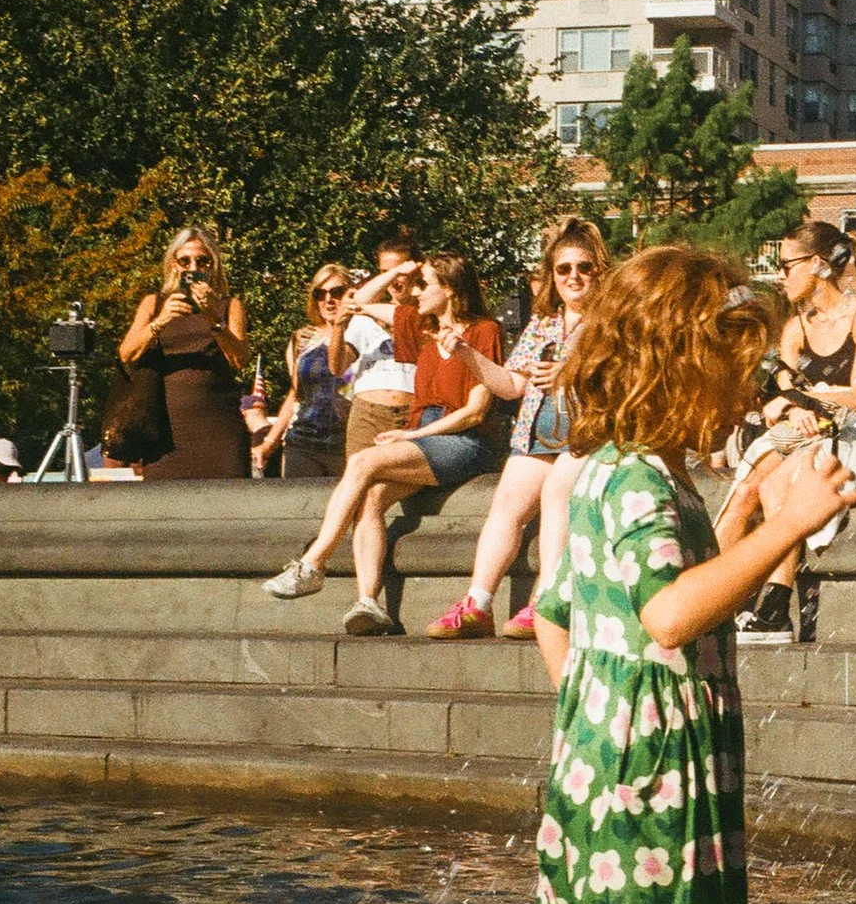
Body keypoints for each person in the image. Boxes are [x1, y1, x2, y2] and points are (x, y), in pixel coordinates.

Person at [524, 245, 856, 904]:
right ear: (679, 364)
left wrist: (597, 716)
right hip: (655, 789)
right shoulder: (639, 481)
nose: (743, 392)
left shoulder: (604, 470)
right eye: (732, 370)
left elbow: (554, 614)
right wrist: (786, 527)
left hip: (611, 766)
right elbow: (669, 613)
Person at [261, 255, 503, 634]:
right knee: (371, 497)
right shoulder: (421, 327)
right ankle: (368, 602)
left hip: (464, 440)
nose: (414, 292)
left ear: (451, 288)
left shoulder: (484, 331)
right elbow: (356, 303)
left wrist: (413, 435)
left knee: (361, 464)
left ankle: (313, 564)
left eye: (424, 284)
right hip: (427, 435)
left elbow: (475, 412)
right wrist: (396, 271)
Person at [425, 217, 610, 641]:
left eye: (583, 267)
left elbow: (626, 378)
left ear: (599, 270)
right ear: (552, 276)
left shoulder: (612, 323)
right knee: (507, 502)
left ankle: (546, 602)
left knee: (557, 493)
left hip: (587, 436)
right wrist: (467, 353)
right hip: (538, 434)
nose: (574, 277)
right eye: (564, 270)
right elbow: (511, 384)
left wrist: (572, 372)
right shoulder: (543, 324)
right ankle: (477, 604)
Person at [717, 222, 856, 645]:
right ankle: (708, 594)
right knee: (747, 489)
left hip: (849, 431)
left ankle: (772, 609)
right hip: (802, 430)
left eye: (786, 264)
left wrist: (802, 403)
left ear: (817, 265)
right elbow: (780, 392)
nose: (780, 275)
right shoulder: (795, 328)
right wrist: (792, 405)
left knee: (776, 483)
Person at [118, 227, 252, 481]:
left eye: (202, 261)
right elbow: (127, 354)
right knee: (166, 511)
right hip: (167, 432)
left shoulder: (229, 305)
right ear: (173, 265)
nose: (193, 267)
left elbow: (239, 360)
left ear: (213, 266)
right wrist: (160, 321)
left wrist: (213, 316)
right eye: (185, 261)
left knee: (226, 510)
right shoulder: (153, 303)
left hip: (219, 429)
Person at [253, 264, 383, 479]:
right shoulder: (302, 339)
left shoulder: (368, 333)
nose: (328, 300)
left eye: (337, 292)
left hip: (350, 444)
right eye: (320, 294)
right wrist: (269, 443)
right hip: (303, 443)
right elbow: (297, 394)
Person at [344, 232, 423, 456]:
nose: (393, 281)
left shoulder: (427, 313)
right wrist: (340, 327)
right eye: (384, 273)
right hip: (368, 412)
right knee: (360, 478)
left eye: (399, 271)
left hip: (412, 409)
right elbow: (338, 366)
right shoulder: (365, 316)